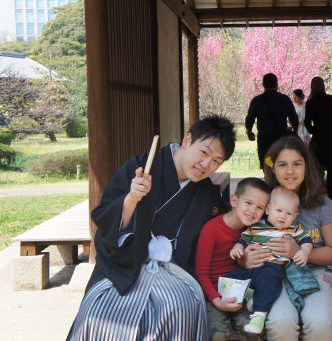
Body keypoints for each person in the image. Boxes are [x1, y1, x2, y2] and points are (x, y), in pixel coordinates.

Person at [68, 115, 236, 340]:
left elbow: (214, 236)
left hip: (174, 269)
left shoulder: (206, 192)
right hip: (125, 264)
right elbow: (105, 217)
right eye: (204, 152)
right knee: (98, 312)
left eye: (217, 161)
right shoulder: (141, 167)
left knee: (181, 306)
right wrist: (131, 198)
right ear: (187, 141)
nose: (206, 165)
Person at [238, 135, 332, 341]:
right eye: (282, 165)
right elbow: (244, 238)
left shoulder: (322, 204)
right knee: (281, 322)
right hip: (271, 274)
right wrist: (244, 258)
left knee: (320, 323)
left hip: (313, 273)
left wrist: (298, 251)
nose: (289, 171)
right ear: (272, 168)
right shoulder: (261, 200)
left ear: (307, 165)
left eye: (297, 164)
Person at [229, 186, 314, 334]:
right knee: (231, 278)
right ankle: (251, 295)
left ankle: (259, 316)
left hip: (272, 267)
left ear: (294, 216)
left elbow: (306, 240)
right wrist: (238, 248)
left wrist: (305, 251)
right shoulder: (255, 226)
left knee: (269, 284)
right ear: (268, 210)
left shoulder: (293, 228)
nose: (282, 216)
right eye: (278, 210)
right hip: (250, 267)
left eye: (288, 213)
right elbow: (244, 239)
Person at [195, 177, 271, 341]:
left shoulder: (255, 232)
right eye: (248, 203)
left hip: (242, 293)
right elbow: (201, 272)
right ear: (234, 200)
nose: (252, 211)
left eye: (260, 207)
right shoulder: (212, 229)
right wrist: (216, 301)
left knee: (255, 333)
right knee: (217, 335)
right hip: (213, 294)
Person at [304, 76, 332, 206]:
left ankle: (320, 201)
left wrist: (313, 130)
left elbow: (307, 122)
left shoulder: (311, 103)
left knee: (318, 173)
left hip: (319, 140)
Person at [245, 73, 299, 170]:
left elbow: (249, 119)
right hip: (281, 139)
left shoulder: (257, 101)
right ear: (276, 85)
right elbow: (294, 118)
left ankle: (268, 182)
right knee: (281, 164)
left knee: (267, 166)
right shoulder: (285, 99)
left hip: (264, 139)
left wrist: (249, 132)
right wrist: (295, 131)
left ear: (263, 85)